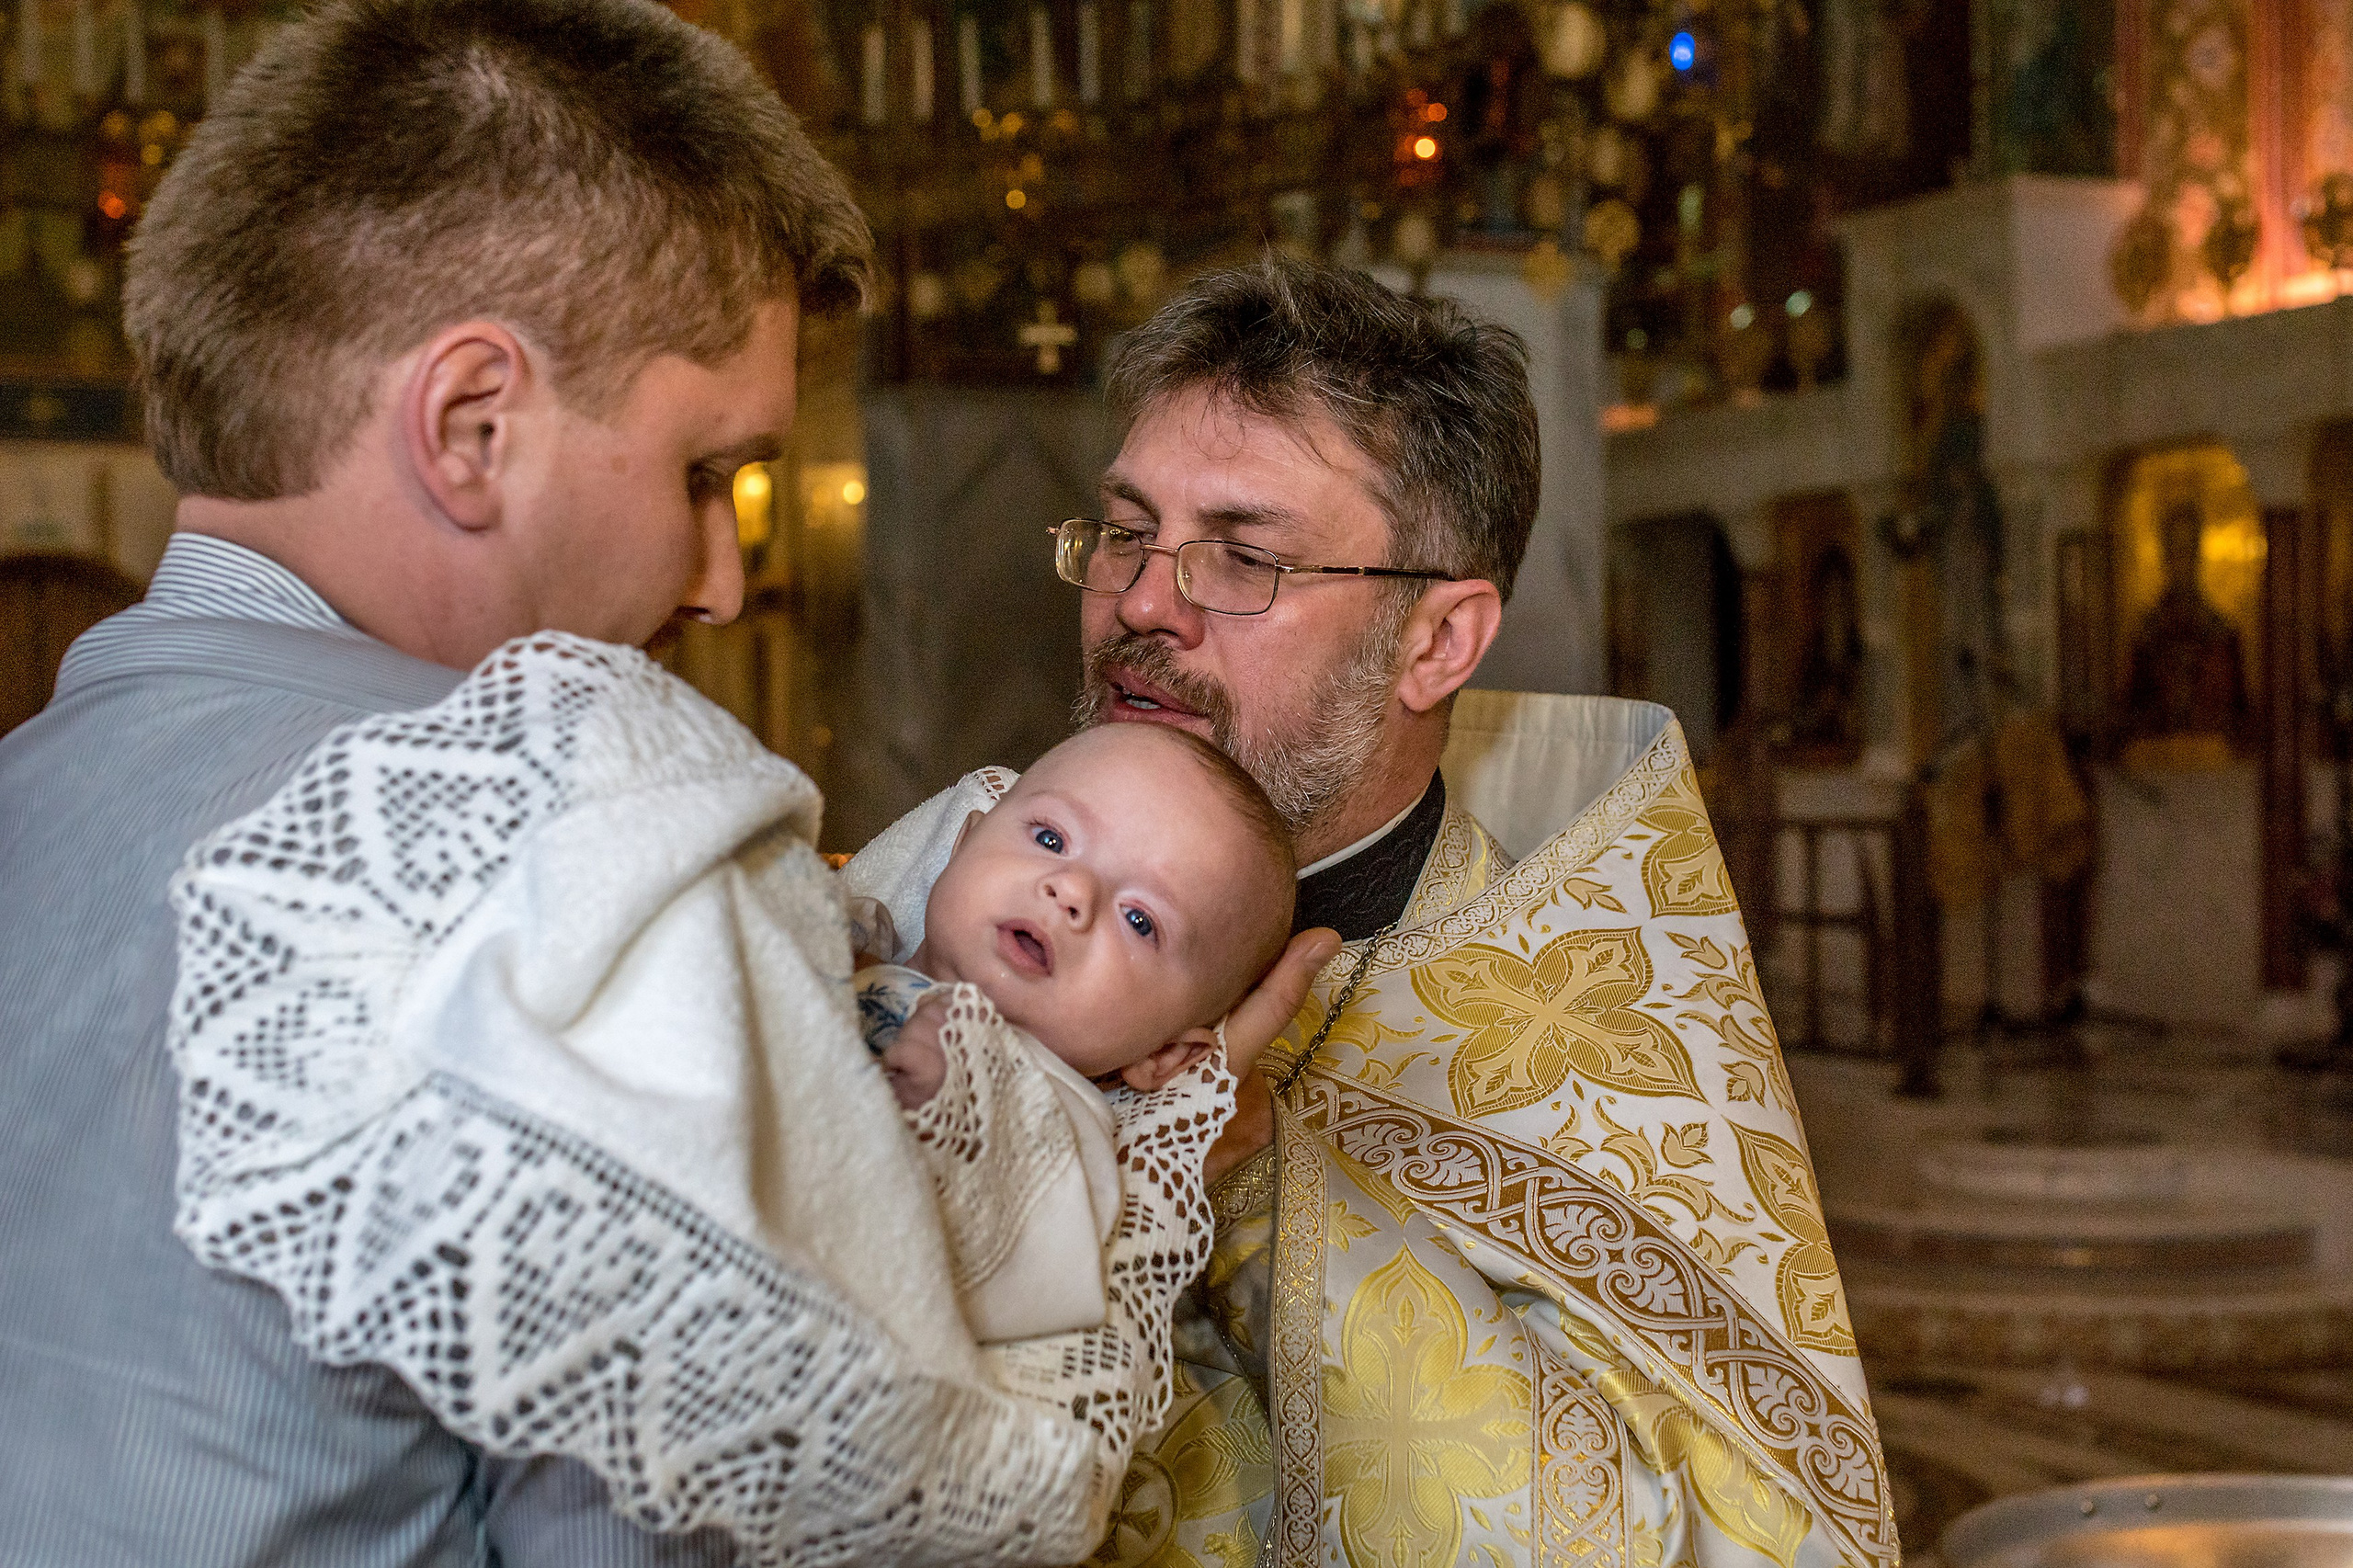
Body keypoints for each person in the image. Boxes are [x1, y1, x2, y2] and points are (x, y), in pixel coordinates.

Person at [0, 2, 1337, 1562]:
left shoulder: (35, 780)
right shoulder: (606, 825)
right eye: (711, 475)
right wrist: (1146, 1174)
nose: (720, 579)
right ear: (470, 424)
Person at [880, 256, 1898, 1567]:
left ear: (1438, 642)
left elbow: (1741, 1543)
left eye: (1242, 557)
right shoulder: (967, 874)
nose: (1140, 603)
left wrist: (1238, 1169)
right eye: (1127, 531)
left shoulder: (1593, 1020)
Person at [853, 722, 1302, 1342]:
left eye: (1141, 919)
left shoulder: (1060, 1129)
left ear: (1165, 1055)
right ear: (962, 848)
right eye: (1050, 837)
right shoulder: (850, 936)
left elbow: (1015, 1289)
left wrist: (945, 1127)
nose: (1072, 890)